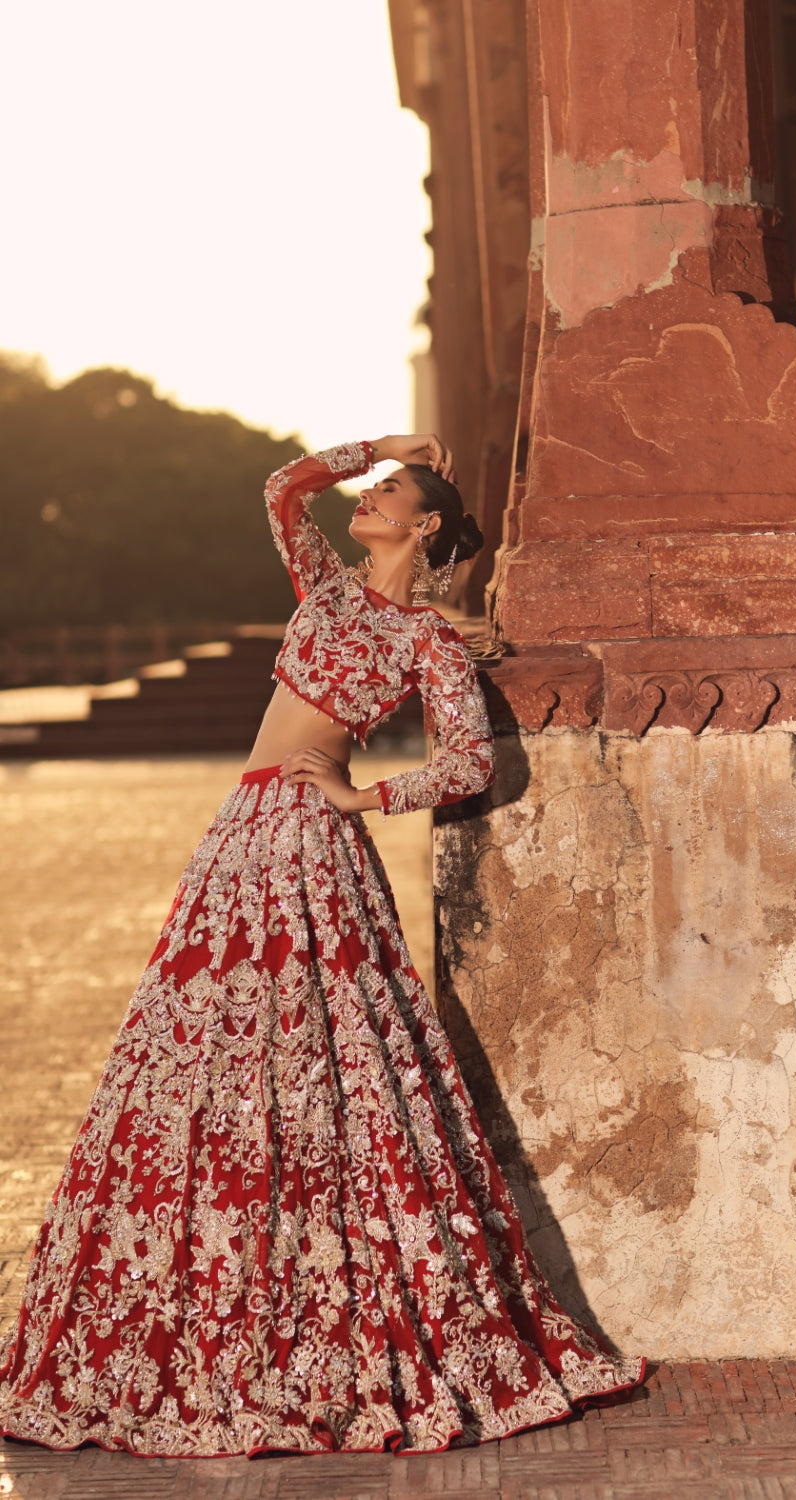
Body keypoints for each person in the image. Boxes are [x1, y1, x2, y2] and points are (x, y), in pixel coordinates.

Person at [0, 434, 644, 1457]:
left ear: (424, 527)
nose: (370, 498)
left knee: (320, 1071)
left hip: (312, 842)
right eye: (374, 488)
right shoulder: (325, 586)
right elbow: (283, 487)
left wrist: (363, 795)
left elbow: (470, 762)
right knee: (194, 1057)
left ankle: (322, 1315)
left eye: (390, 492)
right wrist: (380, 446)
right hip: (239, 832)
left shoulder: (423, 638)